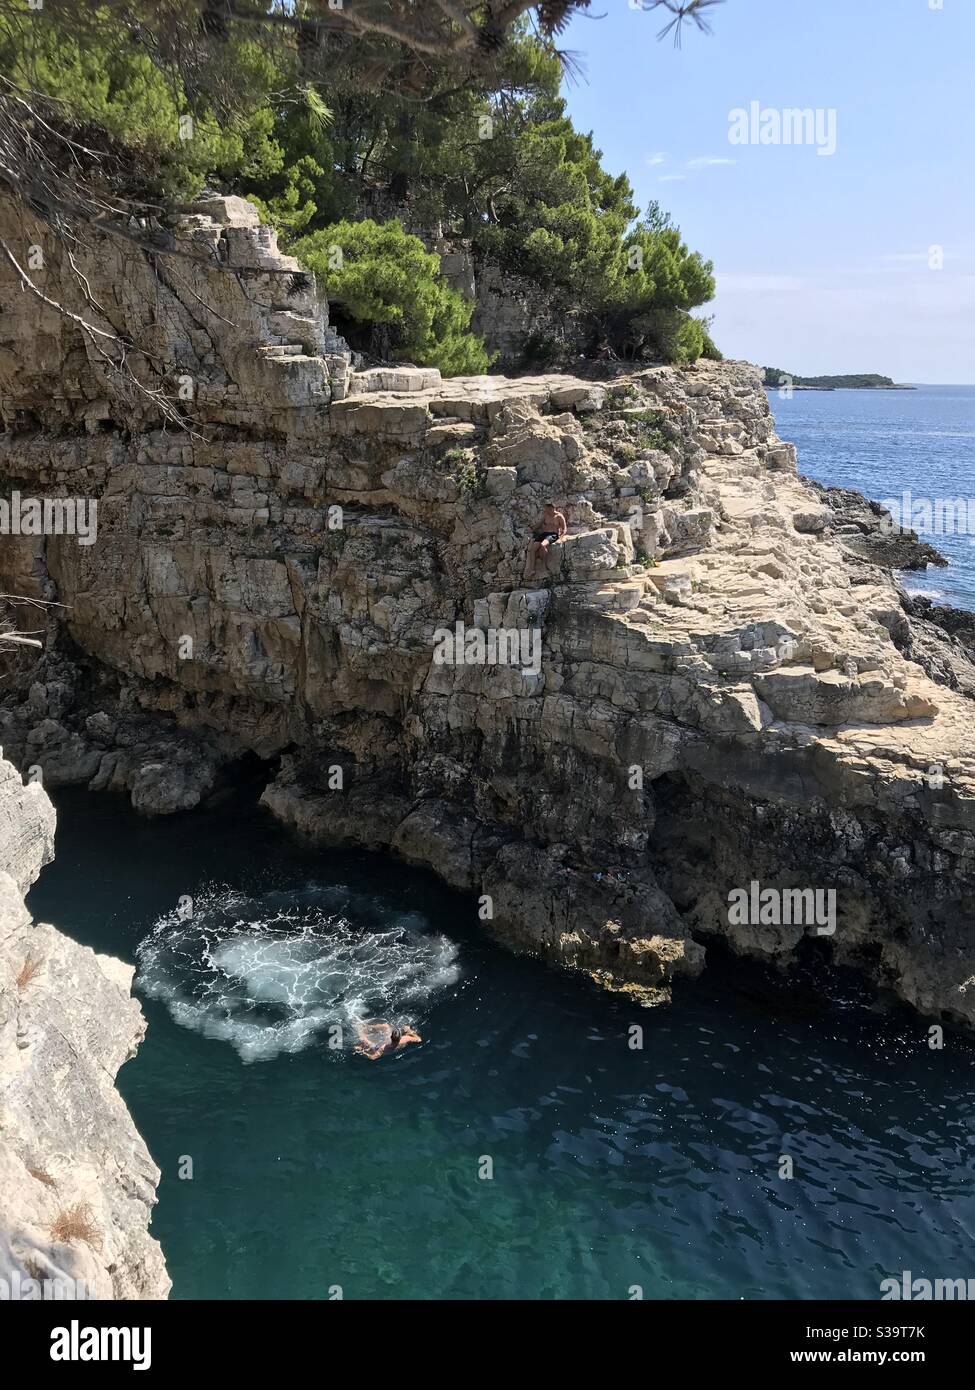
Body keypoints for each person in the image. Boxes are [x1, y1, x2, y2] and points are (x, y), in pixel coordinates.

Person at [525, 502, 567, 579]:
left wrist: (560, 539)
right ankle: (532, 569)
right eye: (546, 509)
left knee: (542, 545)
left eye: (548, 509)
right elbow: (539, 524)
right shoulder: (546, 515)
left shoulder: (559, 516)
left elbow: (564, 529)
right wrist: (531, 529)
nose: (547, 511)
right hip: (544, 534)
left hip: (553, 534)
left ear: (552, 508)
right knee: (533, 549)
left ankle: (544, 565)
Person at [353, 1018, 422, 1061]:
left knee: (364, 1039)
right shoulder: (405, 1039)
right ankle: (368, 1027)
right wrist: (410, 1031)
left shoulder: (383, 1047)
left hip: (378, 1047)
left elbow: (373, 1057)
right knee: (386, 1026)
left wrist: (362, 1052)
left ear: (391, 1036)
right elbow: (419, 1039)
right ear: (400, 1037)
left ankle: (360, 1028)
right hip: (393, 1047)